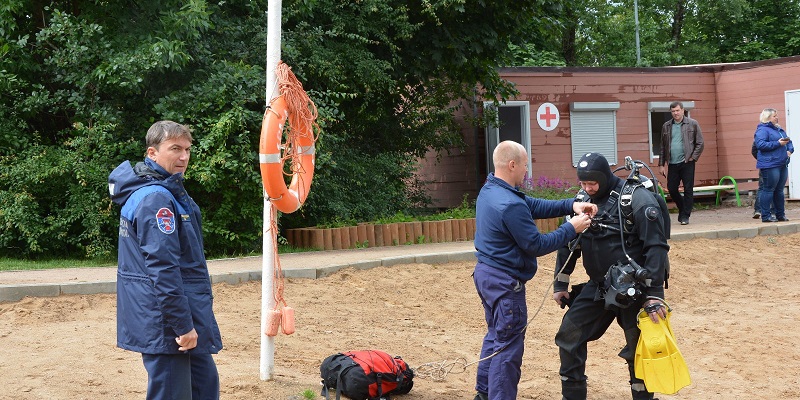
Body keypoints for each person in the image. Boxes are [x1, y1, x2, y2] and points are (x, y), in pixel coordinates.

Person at [472, 141, 596, 400]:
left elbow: (533, 206)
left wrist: (570, 205)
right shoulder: (509, 203)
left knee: (496, 336)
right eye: (525, 165)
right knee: (508, 350)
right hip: (506, 285)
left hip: (486, 276)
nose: (527, 171)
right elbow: (536, 245)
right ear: (512, 164)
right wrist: (571, 228)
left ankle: (483, 394)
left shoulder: (491, 189)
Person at [108, 121, 223, 399]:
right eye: (175, 149)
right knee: (173, 392)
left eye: (187, 149)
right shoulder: (156, 198)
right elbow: (164, 269)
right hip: (165, 321)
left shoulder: (166, 190)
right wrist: (182, 326)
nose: (183, 157)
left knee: (204, 385)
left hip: (176, 313)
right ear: (152, 153)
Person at [553, 152, 670, 400]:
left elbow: (656, 246)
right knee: (568, 336)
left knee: (639, 349)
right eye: (583, 183)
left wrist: (655, 296)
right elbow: (568, 241)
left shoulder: (636, 199)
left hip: (634, 289)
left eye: (592, 183)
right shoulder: (582, 200)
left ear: (605, 177)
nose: (587, 188)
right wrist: (560, 283)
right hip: (598, 287)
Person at [658, 101, 704, 225]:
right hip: (672, 163)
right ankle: (683, 208)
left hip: (687, 162)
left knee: (688, 189)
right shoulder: (666, 126)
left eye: (677, 110)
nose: (675, 113)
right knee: (672, 189)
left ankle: (685, 216)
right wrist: (661, 164)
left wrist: (693, 158)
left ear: (683, 110)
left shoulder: (692, 124)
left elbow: (700, 143)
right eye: (673, 111)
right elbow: (662, 146)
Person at [754, 108, 794, 222]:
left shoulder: (779, 129)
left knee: (779, 190)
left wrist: (790, 150)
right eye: (774, 116)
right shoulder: (762, 130)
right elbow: (760, 145)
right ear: (767, 118)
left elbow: (789, 142)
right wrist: (778, 143)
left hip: (782, 163)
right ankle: (766, 216)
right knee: (768, 189)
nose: (777, 117)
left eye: (776, 115)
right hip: (769, 164)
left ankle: (780, 215)